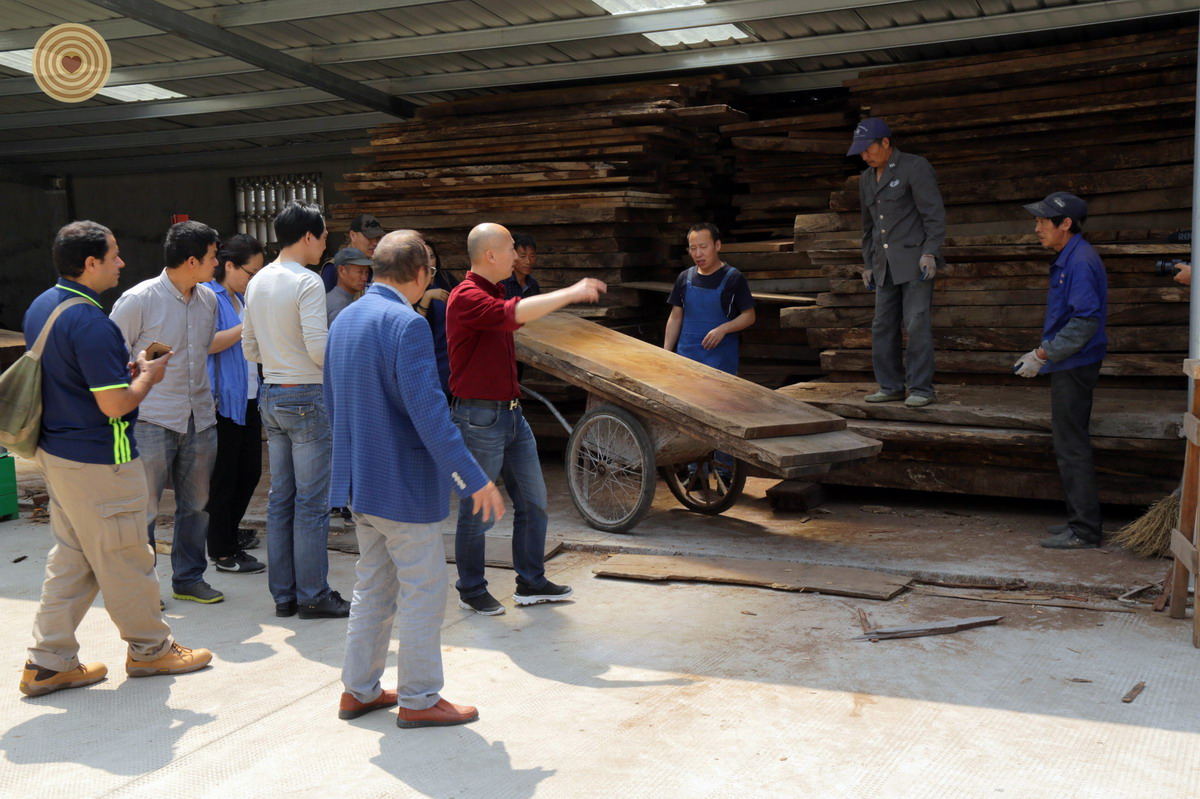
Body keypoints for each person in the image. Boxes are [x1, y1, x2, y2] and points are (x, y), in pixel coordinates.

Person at [19, 221, 212, 697]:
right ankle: (151, 649)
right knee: (128, 557)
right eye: (115, 255)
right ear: (91, 263)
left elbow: (74, 379)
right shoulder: (91, 322)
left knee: (74, 558)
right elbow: (116, 404)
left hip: (59, 456)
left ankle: (48, 662)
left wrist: (124, 372)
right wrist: (148, 375)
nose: (122, 263)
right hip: (100, 460)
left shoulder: (46, 305)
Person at [326, 229, 504, 728]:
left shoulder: (344, 319)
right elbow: (430, 415)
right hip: (403, 487)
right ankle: (421, 699)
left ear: (375, 269)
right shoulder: (407, 325)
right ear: (422, 274)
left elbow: (334, 405)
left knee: (373, 587)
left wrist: (346, 476)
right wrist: (474, 478)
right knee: (424, 590)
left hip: (363, 483)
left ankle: (358, 690)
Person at [447, 222, 605, 616]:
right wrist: (570, 293)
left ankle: (531, 582)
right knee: (478, 509)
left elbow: (512, 311)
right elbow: (512, 315)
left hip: (512, 415)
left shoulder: (496, 289)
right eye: (511, 249)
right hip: (479, 417)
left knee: (534, 502)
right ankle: (471, 587)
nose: (518, 257)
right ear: (490, 255)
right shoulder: (466, 296)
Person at [243, 200, 349, 619]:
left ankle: (284, 595)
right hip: (305, 395)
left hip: (270, 393)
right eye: (323, 237)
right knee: (312, 502)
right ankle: (313, 594)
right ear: (308, 236)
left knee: (280, 499)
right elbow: (320, 350)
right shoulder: (306, 282)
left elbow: (249, 346)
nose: (324, 246)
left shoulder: (258, 281)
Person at [110, 221, 223, 605]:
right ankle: (142, 589)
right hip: (151, 419)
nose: (217, 263)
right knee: (144, 509)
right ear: (192, 261)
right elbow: (111, 355)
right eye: (212, 256)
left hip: (200, 418)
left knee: (197, 506)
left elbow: (203, 349)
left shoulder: (208, 299)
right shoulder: (139, 299)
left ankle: (189, 578)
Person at [1014, 191, 1108, 550]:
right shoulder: (1070, 256)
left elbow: (1084, 322)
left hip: (1076, 363)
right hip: (1070, 361)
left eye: (1042, 221)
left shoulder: (1080, 261)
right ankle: (1078, 521)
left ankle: (1084, 530)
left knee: (1072, 446)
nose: (1036, 228)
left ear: (1065, 223)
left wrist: (1042, 354)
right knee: (1068, 443)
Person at [849, 117, 946, 408]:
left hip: (916, 262)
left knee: (916, 323)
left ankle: (921, 389)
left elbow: (934, 215)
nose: (865, 156)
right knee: (882, 326)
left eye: (868, 149)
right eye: (861, 152)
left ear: (886, 143)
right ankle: (890, 386)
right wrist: (868, 263)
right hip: (883, 264)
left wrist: (931, 252)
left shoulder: (915, 167)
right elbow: (868, 228)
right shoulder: (866, 179)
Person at [204, 233, 266, 575]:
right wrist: (248, 327)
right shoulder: (209, 298)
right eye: (250, 272)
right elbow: (207, 343)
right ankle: (222, 551)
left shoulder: (241, 298)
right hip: (223, 402)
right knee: (225, 479)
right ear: (229, 266)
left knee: (250, 473)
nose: (253, 279)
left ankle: (229, 535)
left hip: (249, 397)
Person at [663, 223, 756, 375]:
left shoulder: (734, 278)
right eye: (693, 248)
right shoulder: (684, 278)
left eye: (703, 246)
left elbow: (749, 316)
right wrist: (666, 352)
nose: (698, 253)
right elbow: (675, 317)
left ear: (717, 245)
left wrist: (723, 329)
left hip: (720, 364)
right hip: (686, 362)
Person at [412, 240, 457, 397]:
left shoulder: (446, 279)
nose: (429, 261)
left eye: (431, 256)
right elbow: (413, 326)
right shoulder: (413, 287)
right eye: (424, 257)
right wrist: (427, 296)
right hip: (430, 355)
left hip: (451, 354)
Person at [321, 213, 385, 292]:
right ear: (353, 235)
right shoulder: (333, 268)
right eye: (370, 237)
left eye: (378, 237)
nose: (375, 243)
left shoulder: (379, 267)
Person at [326, 247, 372, 325]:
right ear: (341, 270)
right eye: (360, 272)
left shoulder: (336, 298)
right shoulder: (340, 305)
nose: (364, 278)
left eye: (366, 272)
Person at [499, 233, 540, 299]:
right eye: (523, 256)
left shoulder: (533, 284)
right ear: (513, 255)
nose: (528, 262)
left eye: (532, 256)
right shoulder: (501, 283)